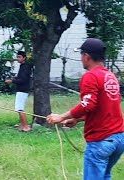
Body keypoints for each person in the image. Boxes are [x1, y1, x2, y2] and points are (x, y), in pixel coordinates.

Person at [47, 38, 124, 180]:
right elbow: (104, 107)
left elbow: (88, 104)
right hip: (119, 139)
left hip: (101, 141)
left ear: (86, 56)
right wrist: (76, 119)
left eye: (81, 54)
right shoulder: (110, 76)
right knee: (105, 176)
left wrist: (61, 117)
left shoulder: (90, 76)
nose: (81, 58)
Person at [5, 50, 33, 132]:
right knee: (18, 108)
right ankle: (22, 125)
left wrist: (12, 81)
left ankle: (26, 126)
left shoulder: (25, 67)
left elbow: (23, 79)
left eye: (19, 57)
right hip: (21, 89)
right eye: (17, 57)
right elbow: (20, 78)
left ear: (24, 58)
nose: (18, 58)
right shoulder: (22, 66)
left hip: (23, 89)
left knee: (20, 108)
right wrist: (13, 79)